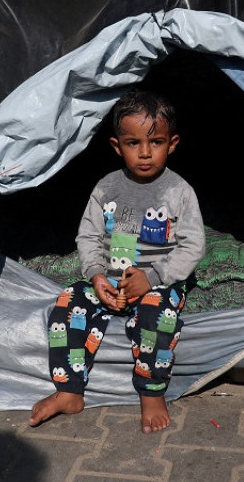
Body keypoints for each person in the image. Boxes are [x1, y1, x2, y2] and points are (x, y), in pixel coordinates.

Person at [29, 87, 205, 433]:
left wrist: (152, 279)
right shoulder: (106, 188)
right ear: (116, 146)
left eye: (155, 142)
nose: (144, 153)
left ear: (172, 144)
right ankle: (69, 390)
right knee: (68, 302)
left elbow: (193, 247)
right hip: (110, 283)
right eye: (133, 143)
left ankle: (152, 393)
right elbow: (89, 236)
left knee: (158, 316)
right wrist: (96, 276)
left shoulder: (179, 192)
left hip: (159, 282)